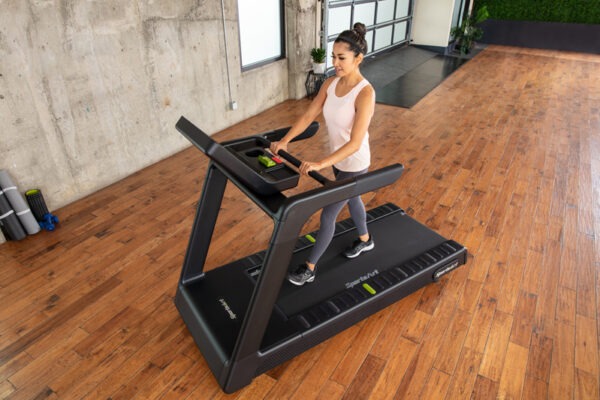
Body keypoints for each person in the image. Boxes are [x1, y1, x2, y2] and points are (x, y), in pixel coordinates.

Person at [270, 22, 375, 286]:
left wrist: (319, 163)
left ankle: (310, 269)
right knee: (353, 199)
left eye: (341, 58)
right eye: (333, 57)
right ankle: (365, 240)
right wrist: (285, 141)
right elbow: (308, 115)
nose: (335, 63)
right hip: (337, 159)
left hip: (355, 162)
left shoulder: (365, 93)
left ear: (358, 58)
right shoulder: (330, 83)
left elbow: (355, 143)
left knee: (328, 214)